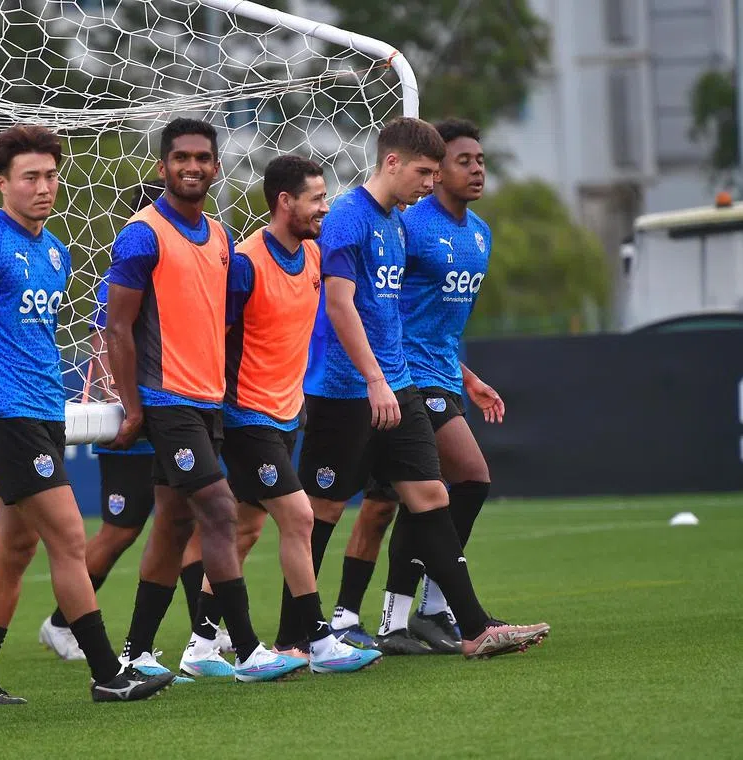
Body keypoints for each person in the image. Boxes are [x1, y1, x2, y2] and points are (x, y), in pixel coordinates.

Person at [287, 116, 548, 659]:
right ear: (393, 163)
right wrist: (374, 379)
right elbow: (338, 305)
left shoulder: (392, 222)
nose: (429, 185)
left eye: (436, 173)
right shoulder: (348, 219)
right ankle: (299, 636)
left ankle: (470, 628)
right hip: (344, 390)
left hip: (398, 385)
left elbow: (395, 316)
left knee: (430, 495)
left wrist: (456, 377)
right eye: (425, 172)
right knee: (323, 512)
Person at [0, 125, 175, 705]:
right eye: (31, 177)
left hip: (46, 412)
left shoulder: (55, 249)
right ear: (2, 184)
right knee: (71, 538)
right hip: (8, 417)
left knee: (14, 550)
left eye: (50, 176)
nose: (44, 187)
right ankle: (107, 674)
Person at [106, 117, 307, 682]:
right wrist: (134, 406)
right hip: (165, 400)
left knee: (171, 525)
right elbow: (117, 328)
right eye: (180, 158)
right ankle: (245, 650)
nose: (191, 166)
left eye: (202, 158)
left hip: (207, 402)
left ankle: (136, 652)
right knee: (219, 512)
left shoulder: (220, 237)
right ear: (163, 166)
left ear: (216, 167)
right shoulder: (142, 234)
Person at [178, 155, 381, 677]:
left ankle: (201, 646)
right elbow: (213, 335)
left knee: (244, 531)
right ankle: (316, 639)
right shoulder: (245, 263)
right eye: (315, 197)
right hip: (247, 417)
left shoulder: (314, 257)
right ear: (284, 202)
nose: (324, 206)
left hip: (286, 414)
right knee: (300, 516)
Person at [327, 119, 511, 655]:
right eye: (461, 161)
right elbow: (379, 305)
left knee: (389, 504)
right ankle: (428, 608)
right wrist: (376, 373)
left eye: (480, 159)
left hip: (441, 375)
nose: (474, 169)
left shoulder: (480, 233)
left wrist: (470, 377)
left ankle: (393, 618)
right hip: (402, 377)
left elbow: (442, 322)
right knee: (467, 478)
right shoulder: (407, 224)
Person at [38, 180, 213, 663]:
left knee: (190, 518)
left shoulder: (188, 269)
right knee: (122, 529)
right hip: (135, 419)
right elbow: (105, 343)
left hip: (175, 409)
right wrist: (131, 407)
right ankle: (61, 622)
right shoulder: (122, 276)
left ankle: (205, 632)